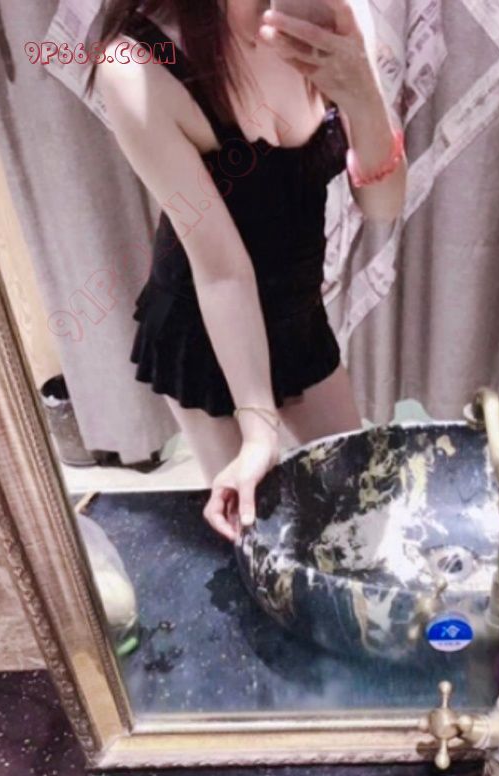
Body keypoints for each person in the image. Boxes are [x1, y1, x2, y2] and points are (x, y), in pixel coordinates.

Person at [90, 0, 406, 541]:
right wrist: (259, 432)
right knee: (256, 538)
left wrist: (361, 92)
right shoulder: (136, 65)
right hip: (207, 329)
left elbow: (383, 206)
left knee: (355, 503)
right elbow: (222, 271)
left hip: (298, 313)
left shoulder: (339, 16)